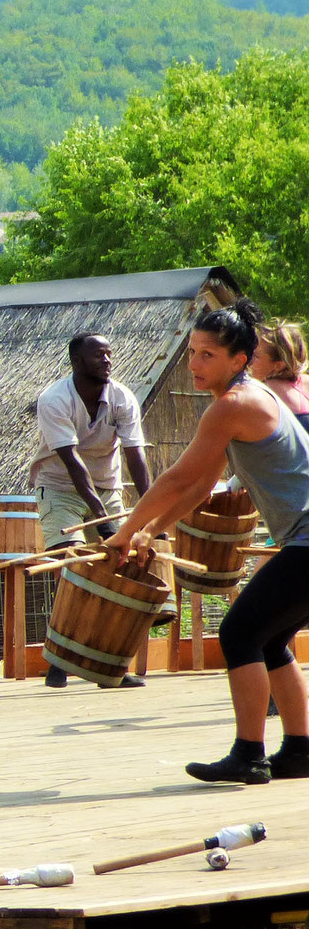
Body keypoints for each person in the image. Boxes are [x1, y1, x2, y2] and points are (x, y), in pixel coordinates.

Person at [102, 300, 309, 784]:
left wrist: (127, 532)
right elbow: (200, 485)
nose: (194, 365)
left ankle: (249, 754)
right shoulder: (253, 396)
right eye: (192, 353)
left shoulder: (233, 406)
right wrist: (151, 529)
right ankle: (300, 750)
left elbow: (175, 479)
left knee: (239, 634)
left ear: (239, 359)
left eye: (207, 355)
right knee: (270, 637)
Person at [30, 332, 152, 688]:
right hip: (60, 485)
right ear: (77, 362)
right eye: (98, 356)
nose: (107, 361)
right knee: (69, 566)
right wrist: (102, 524)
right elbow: (72, 463)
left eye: (109, 355)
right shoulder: (54, 399)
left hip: (107, 485)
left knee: (118, 567)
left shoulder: (122, 397)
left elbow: (136, 456)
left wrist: (148, 516)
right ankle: (59, 659)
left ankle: (111, 665)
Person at [252, 322, 309, 419]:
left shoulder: (266, 390)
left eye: (256, 356)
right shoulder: (305, 380)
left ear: (278, 366)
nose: (249, 360)